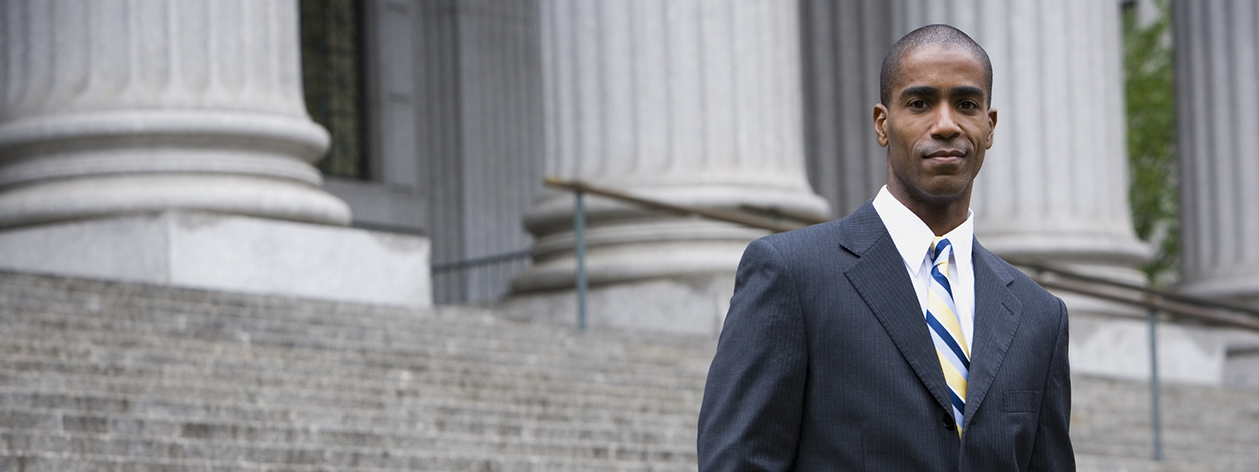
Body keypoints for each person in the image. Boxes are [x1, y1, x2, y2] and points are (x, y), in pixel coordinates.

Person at [696, 24, 1074, 471]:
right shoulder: (791, 275)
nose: (946, 124)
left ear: (989, 127)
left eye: (967, 105)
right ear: (883, 123)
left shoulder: (1039, 316)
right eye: (920, 103)